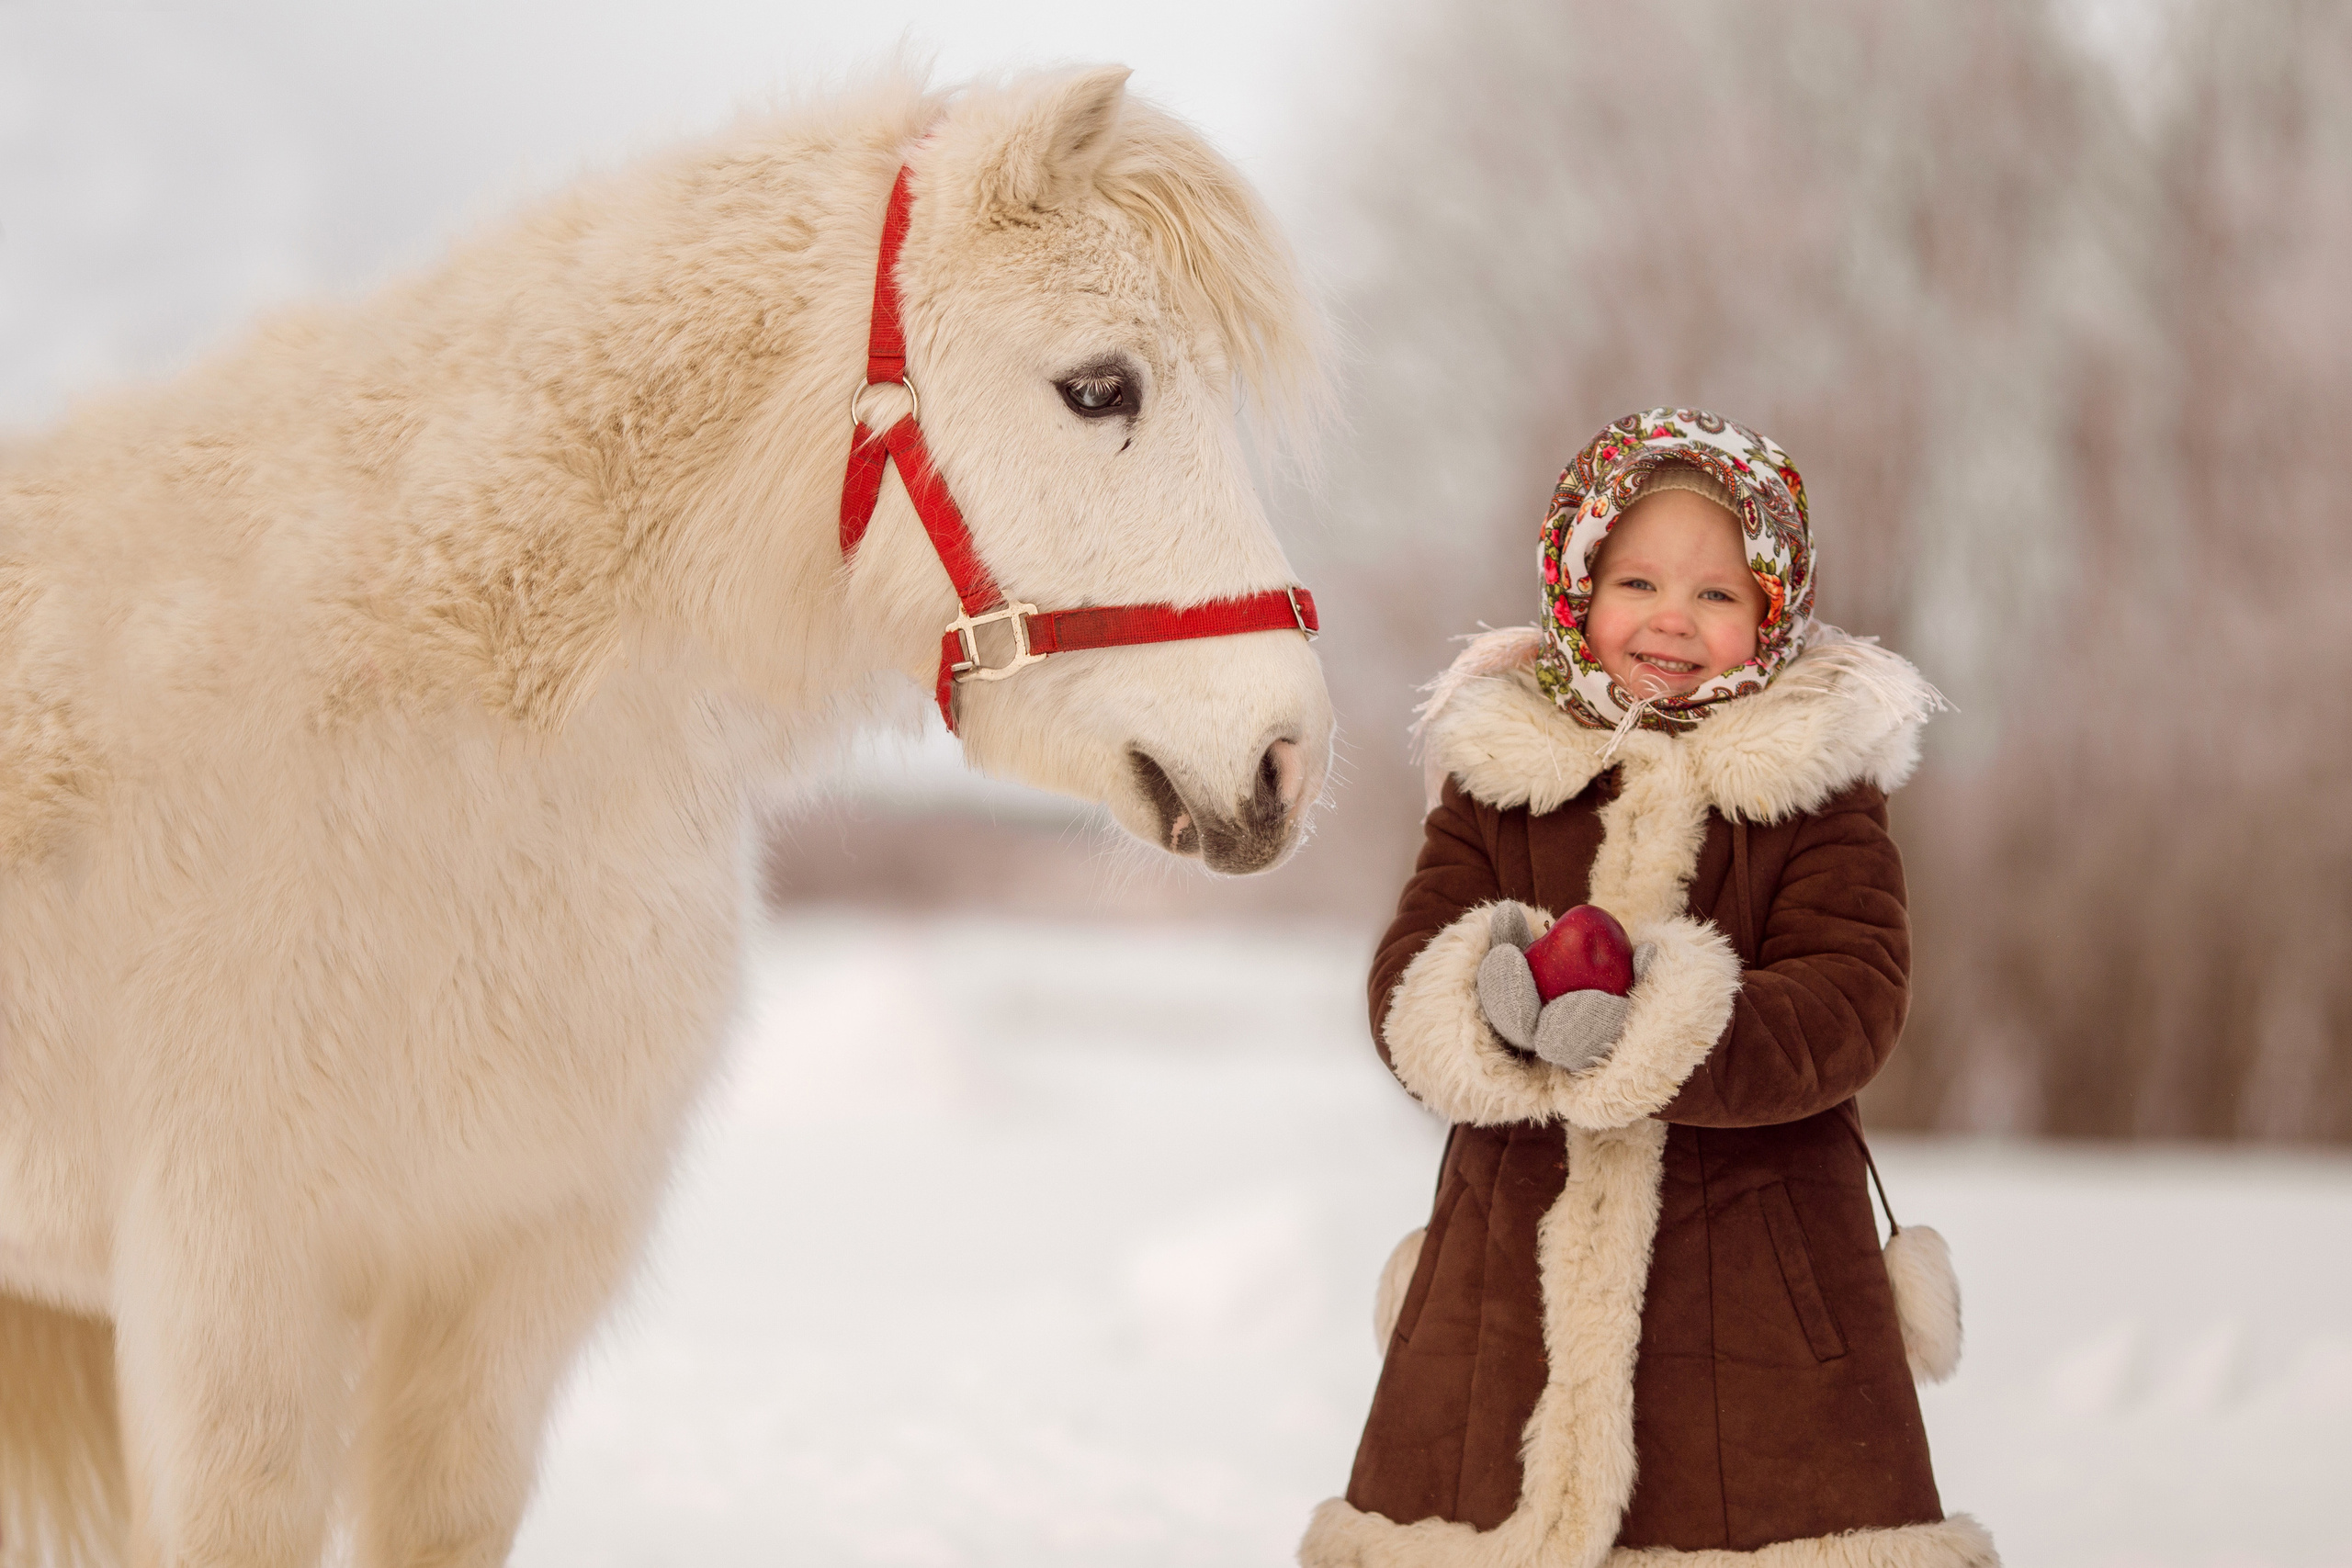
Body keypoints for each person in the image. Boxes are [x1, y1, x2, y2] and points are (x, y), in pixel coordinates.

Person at [1301, 410, 1993, 1567]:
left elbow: (1850, 998)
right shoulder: (1501, 776)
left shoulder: (1815, 795)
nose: (1672, 618)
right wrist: (1492, 1005)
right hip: (1504, 1281)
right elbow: (1407, 969)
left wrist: (1655, 1030)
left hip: (1755, 1291)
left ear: (1773, 613)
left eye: (1716, 594)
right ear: (1575, 590)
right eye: (1636, 582)